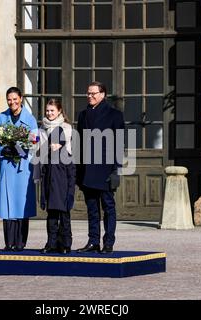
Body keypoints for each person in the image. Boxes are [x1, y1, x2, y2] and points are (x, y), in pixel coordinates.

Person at [76, 81, 125, 254]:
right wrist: (78, 169)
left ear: (103, 94)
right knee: (92, 208)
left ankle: (109, 242)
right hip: (87, 170)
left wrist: (116, 170)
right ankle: (93, 241)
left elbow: (119, 144)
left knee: (108, 207)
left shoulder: (115, 115)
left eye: (93, 93)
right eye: (88, 93)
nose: (90, 96)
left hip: (106, 170)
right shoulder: (82, 115)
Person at [0, 87, 38, 251]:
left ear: (21, 98)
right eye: (9, 99)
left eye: (15, 99)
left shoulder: (30, 119)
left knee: (20, 204)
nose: (12, 102)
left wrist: (22, 149)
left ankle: (20, 243)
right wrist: (3, 149)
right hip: (7, 166)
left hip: (23, 167)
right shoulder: (0, 118)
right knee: (7, 205)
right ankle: (8, 242)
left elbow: (35, 140)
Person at [38, 99, 76, 254]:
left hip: (62, 175)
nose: (49, 113)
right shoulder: (42, 128)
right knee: (52, 216)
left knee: (64, 215)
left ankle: (65, 244)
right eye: (47, 110)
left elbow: (71, 160)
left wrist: (70, 190)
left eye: (52, 110)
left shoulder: (67, 129)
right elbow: (38, 151)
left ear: (59, 111)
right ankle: (51, 242)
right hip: (49, 172)